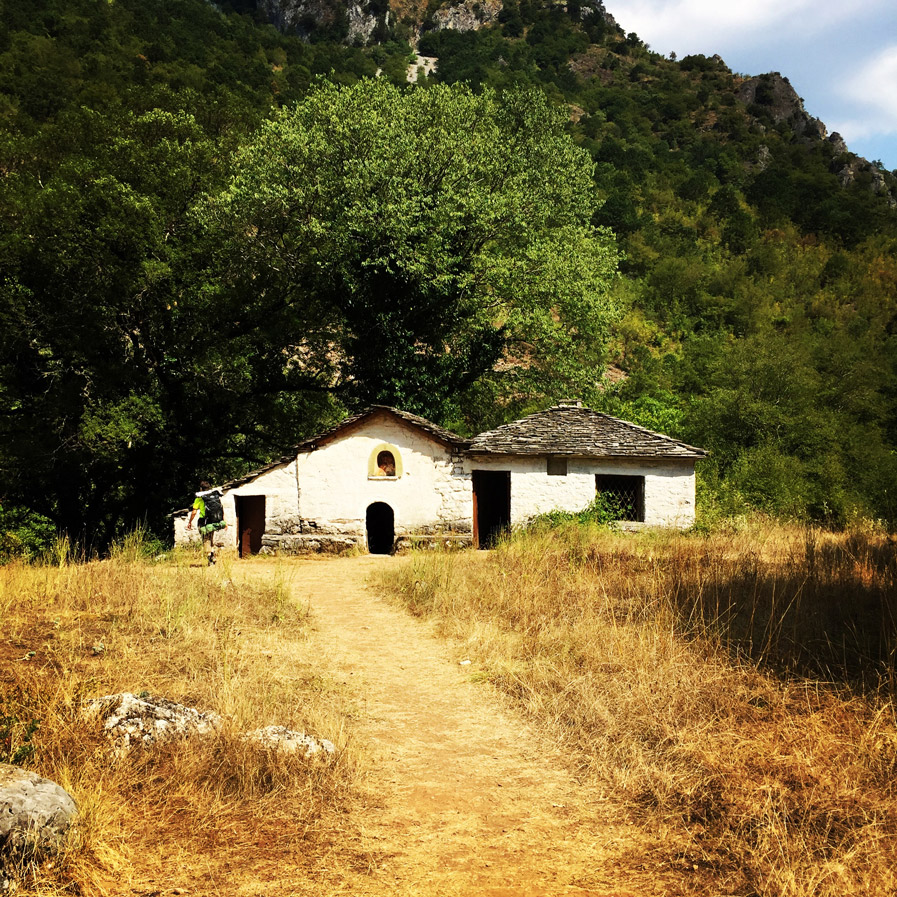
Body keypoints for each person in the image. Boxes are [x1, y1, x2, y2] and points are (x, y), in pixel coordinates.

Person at [186, 480, 226, 565]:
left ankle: (211, 558)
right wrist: (223, 521)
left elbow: (194, 512)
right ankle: (212, 556)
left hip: (204, 522)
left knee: (205, 540)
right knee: (210, 539)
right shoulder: (214, 496)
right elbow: (221, 509)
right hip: (214, 521)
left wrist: (190, 522)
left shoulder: (199, 498)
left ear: (201, 488)